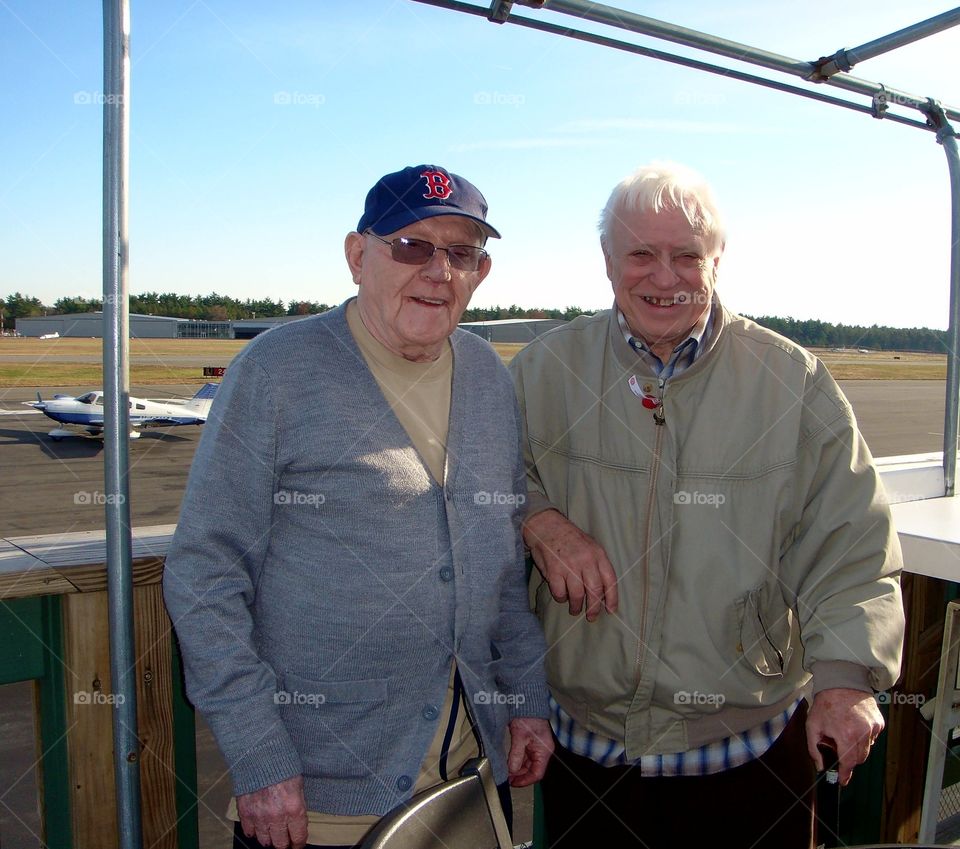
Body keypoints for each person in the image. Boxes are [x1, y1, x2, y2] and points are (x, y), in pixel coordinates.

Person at [508, 161, 904, 848]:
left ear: (717, 261)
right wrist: (536, 516)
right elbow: (477, 479)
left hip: (746, 756)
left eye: (687, 255)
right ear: (607, 263)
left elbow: (851, 541)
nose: (665, 277)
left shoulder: (792, 381)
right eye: (641, 254)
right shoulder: (544, 370)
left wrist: (845, 678)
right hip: (588, 753)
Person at [163, 164, 553, 849]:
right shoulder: (277, 371)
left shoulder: (490, 378)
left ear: (481, 273)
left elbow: (501, 566)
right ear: (356, 255)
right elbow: (204, 571)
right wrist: (260, 754)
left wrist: (523, 701)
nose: (438, 270)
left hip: (464, 786)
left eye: (461, 253)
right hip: (315, 804)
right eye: (411, 246)